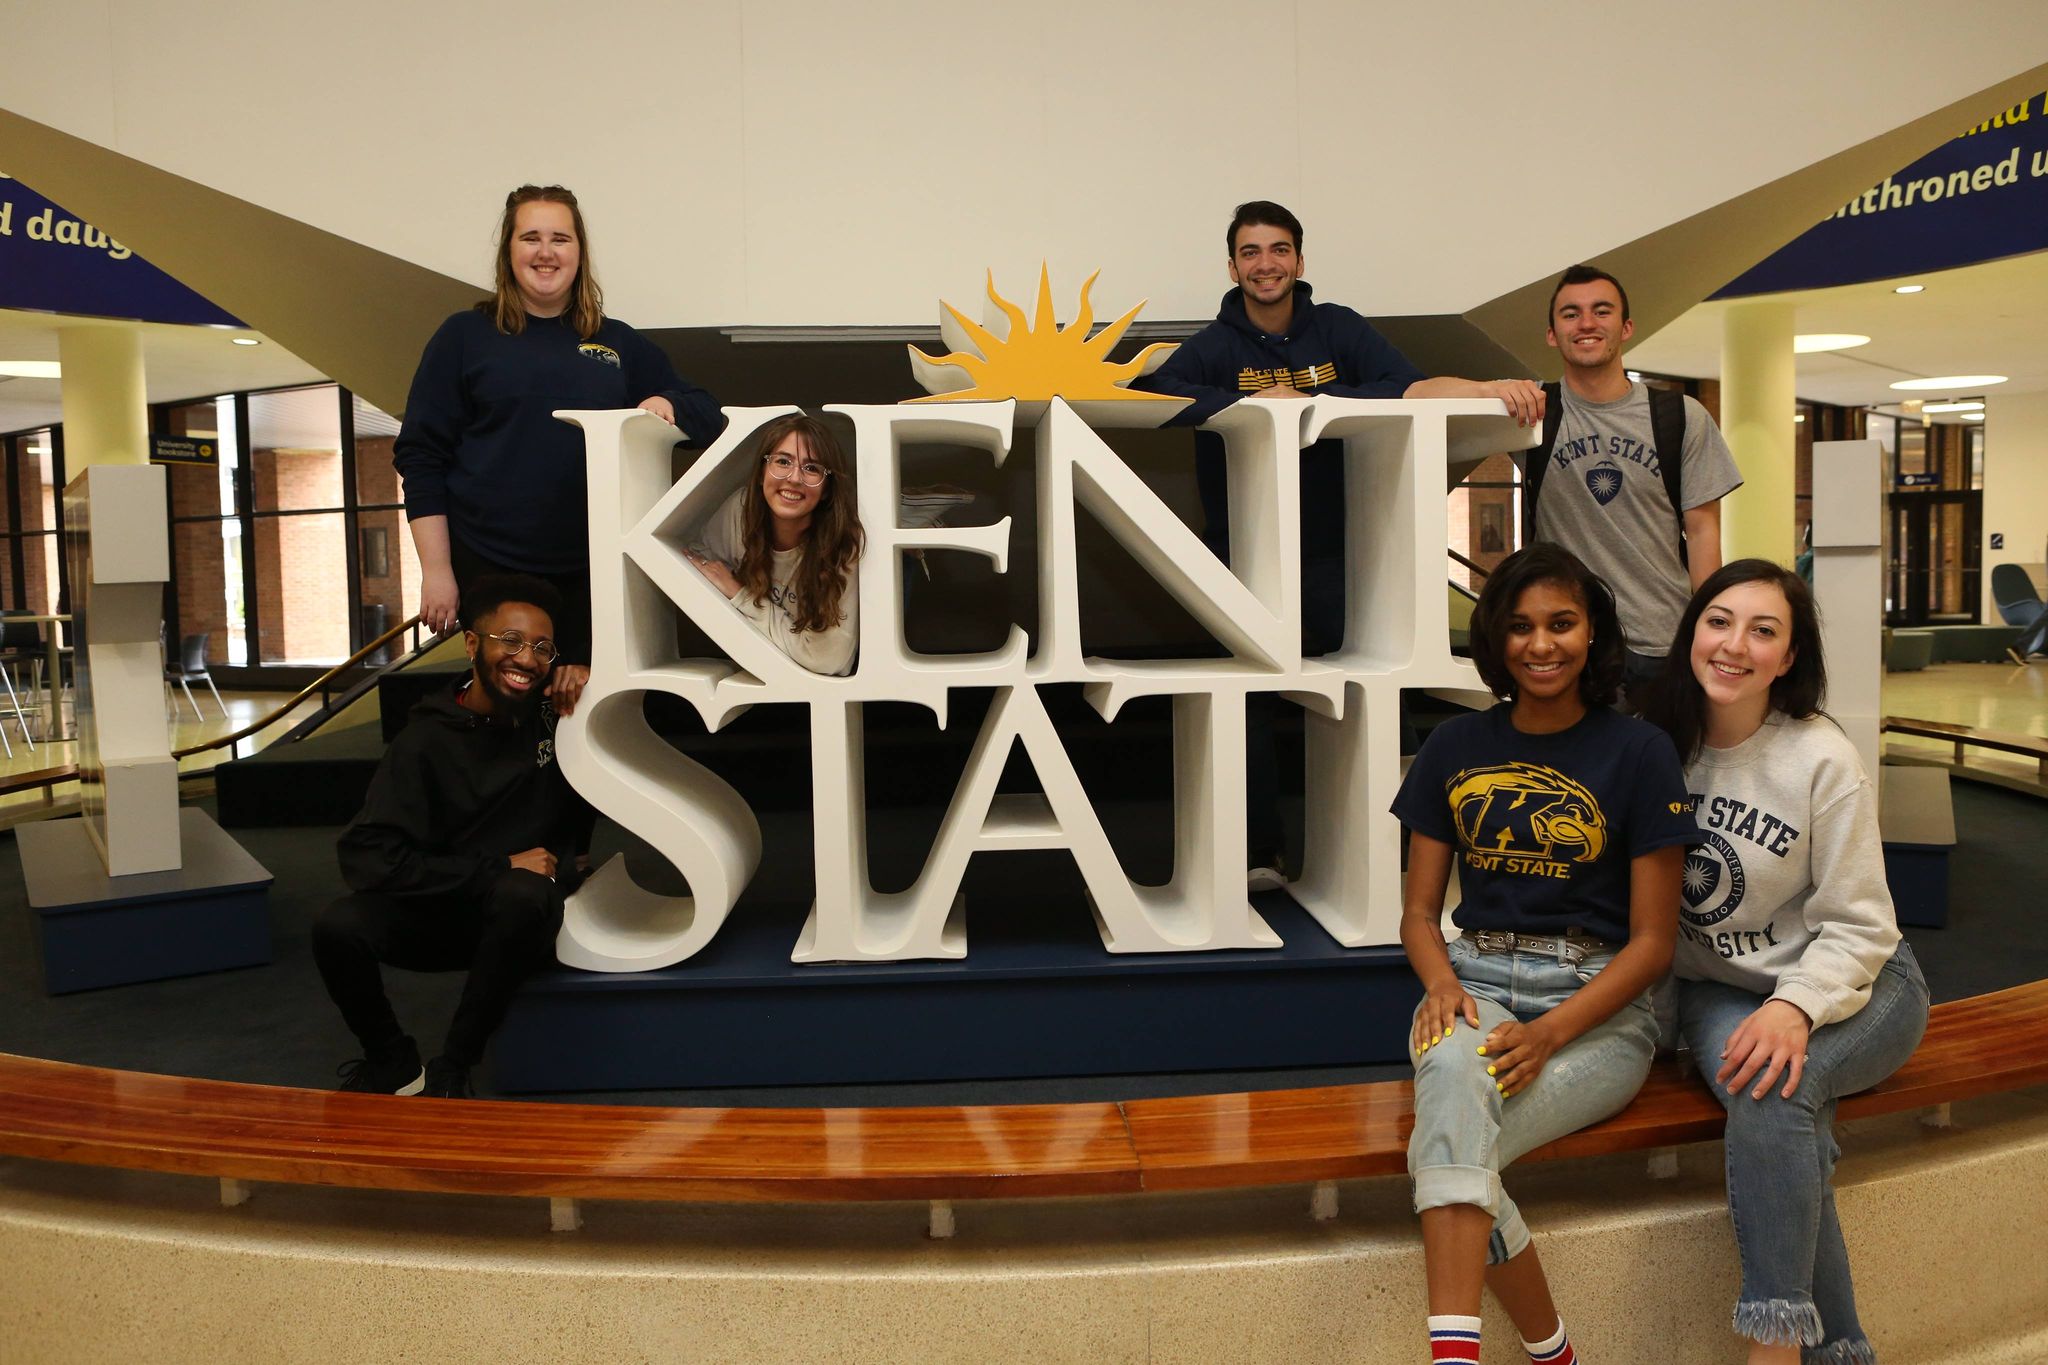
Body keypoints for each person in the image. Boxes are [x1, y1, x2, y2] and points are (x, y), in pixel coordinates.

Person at [1136, 200, 1545, 882]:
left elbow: (1410, 387)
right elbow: (1155, 391)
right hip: (1241, 560)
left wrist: (1483, 387)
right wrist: (1252, 407)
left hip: (1336, 554)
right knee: (1245, 703)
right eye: (1250, 251)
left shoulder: (1336, 329)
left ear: (1299, 259)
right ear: (1232, 264)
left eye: (1278, 249)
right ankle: (1257, 853)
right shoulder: (1217, 344)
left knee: (1376, 692)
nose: (1265, 263)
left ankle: (1414, 853)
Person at [1393, 543, 1694, 1365]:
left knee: (1452, 1138)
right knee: (1459, 1097)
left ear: (1593, 632)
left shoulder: (1640, 752)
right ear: (1496, 639)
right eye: (1521, 626)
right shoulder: (1454, 744)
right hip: (1477, 980)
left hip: (1598, 1008)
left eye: (1562, 623)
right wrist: (1443, 982)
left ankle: (1529, 1352)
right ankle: (1526, 1353)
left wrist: (1552, 1031)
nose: (1542, 643)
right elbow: (1419, 913)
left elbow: (1654, 943)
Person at [1643, 560, 1927, 1364]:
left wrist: (1797, 1005)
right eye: (1719, 620)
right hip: (1722, 989)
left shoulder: (1819, 757)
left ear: (1789, 657)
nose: (1735, 645)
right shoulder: (1654, 745)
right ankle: (1841, 1352)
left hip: (1862, 985)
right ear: (1691, 629)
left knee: (1777, 1086)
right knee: (1769, 1087)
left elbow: (1864, 926)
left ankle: (1772, 1350)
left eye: (1764, 631)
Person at [393, 183, 726, 709]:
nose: (545, 252)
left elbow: (708, 413)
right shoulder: (463, 336)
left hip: (588, 575)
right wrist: (437, 573)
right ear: (509, 251)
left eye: (559, 238)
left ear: (579, 252)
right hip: (489, 564)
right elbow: (420, 458)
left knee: (580, 715)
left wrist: (667, 401)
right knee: (508, 713)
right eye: (530, 238)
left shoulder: (616, 342)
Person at [313, 575, 584, 1100]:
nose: (527, 659)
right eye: (511, 641)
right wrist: (498, 867)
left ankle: (452, 1068)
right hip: (448, 903)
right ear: (472, 644)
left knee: (522, 895)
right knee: (337, 925)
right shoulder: (425, 740)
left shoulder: (554, 714)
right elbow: (367, 858)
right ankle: (392, 1062)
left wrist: (591, 674)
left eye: (542, 649)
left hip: (522, 912)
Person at [1527, 264, 1743, 696]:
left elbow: (1702, 534)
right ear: (1552, 334)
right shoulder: (1533, 412)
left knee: (1666, 764)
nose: (1586, 323)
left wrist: (1709, 635)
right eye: (1570, 314)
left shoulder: (1681, 417)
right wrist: (1490, 392)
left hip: (1663, 645)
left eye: (1601, 311)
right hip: (1570, 646)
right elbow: (1421, 392)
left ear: (1626, 328)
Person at [682, 413, 863, 677]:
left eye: (812, 468)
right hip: (763, 674)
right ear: (761, 472)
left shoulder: (845, 543)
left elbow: (829, 660)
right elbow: (695, 568)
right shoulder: (741, 511)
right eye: (782, 461)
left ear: (826, 489)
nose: (794, 478)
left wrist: (741, 595)